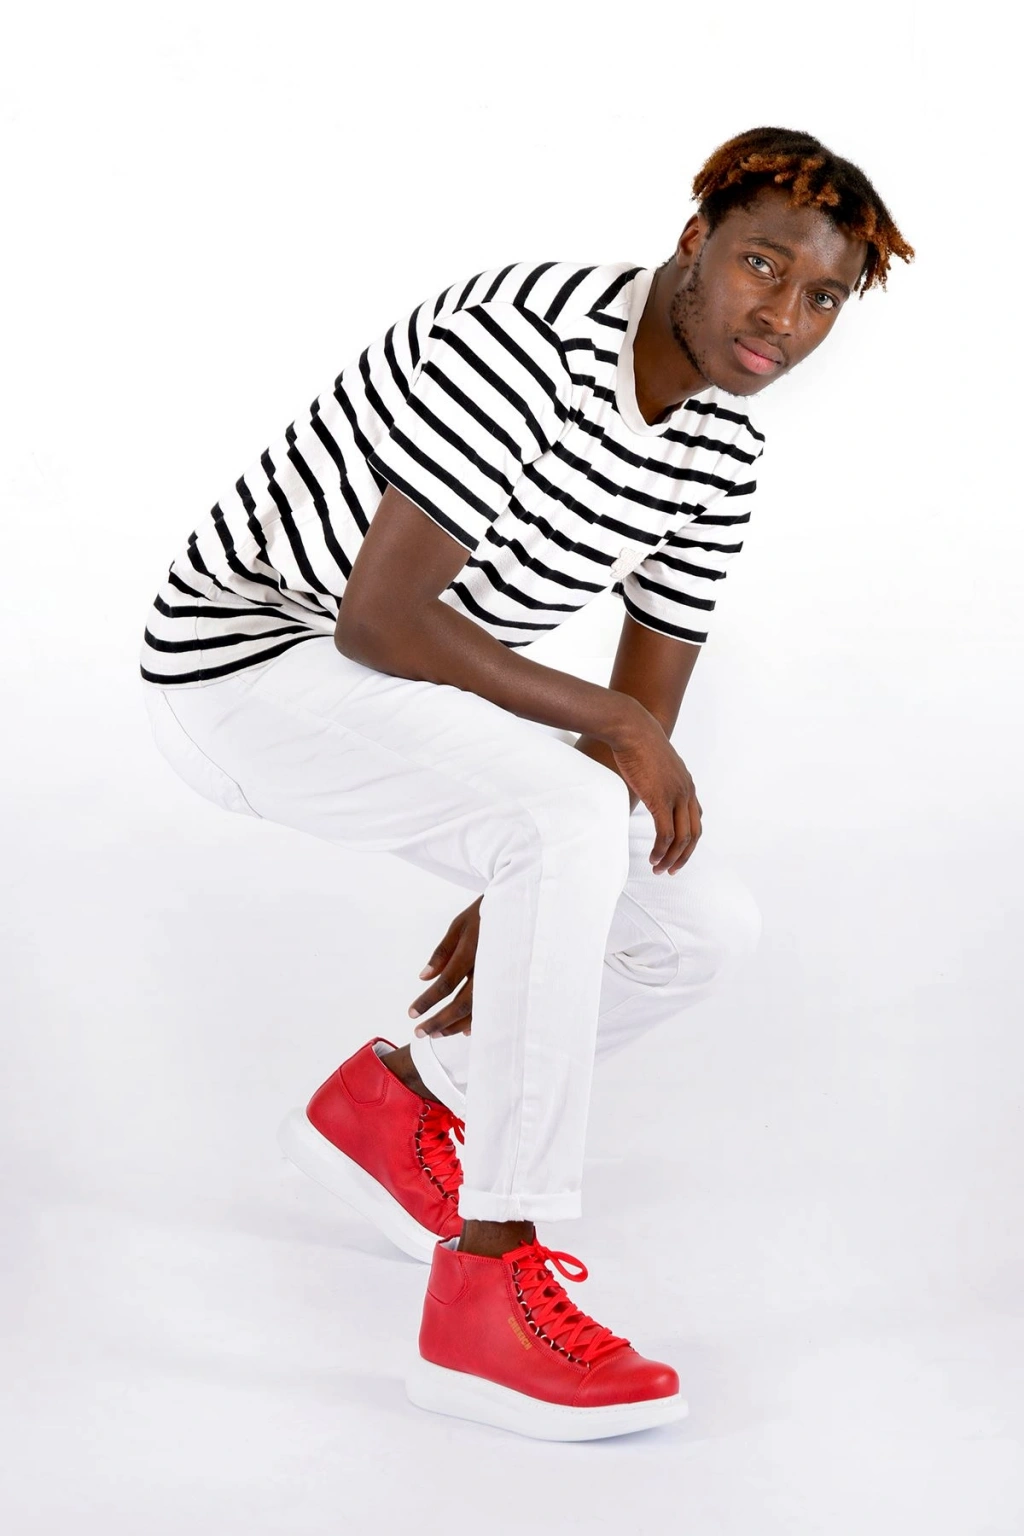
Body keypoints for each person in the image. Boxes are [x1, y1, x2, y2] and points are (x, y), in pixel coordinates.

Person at [138, 125, 913, 1441]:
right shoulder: (527, 341)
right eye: (762, 266)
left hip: (396, 697)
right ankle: (487, 1289)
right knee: (563, 816)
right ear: (696, 243)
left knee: (700, 925)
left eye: (824, 296)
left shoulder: (721, 450)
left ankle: (397, 1101)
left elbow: (634, 739)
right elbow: (382, 619)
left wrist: (545, 878)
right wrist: (589, 763)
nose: (783, 317)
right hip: (244, 659)